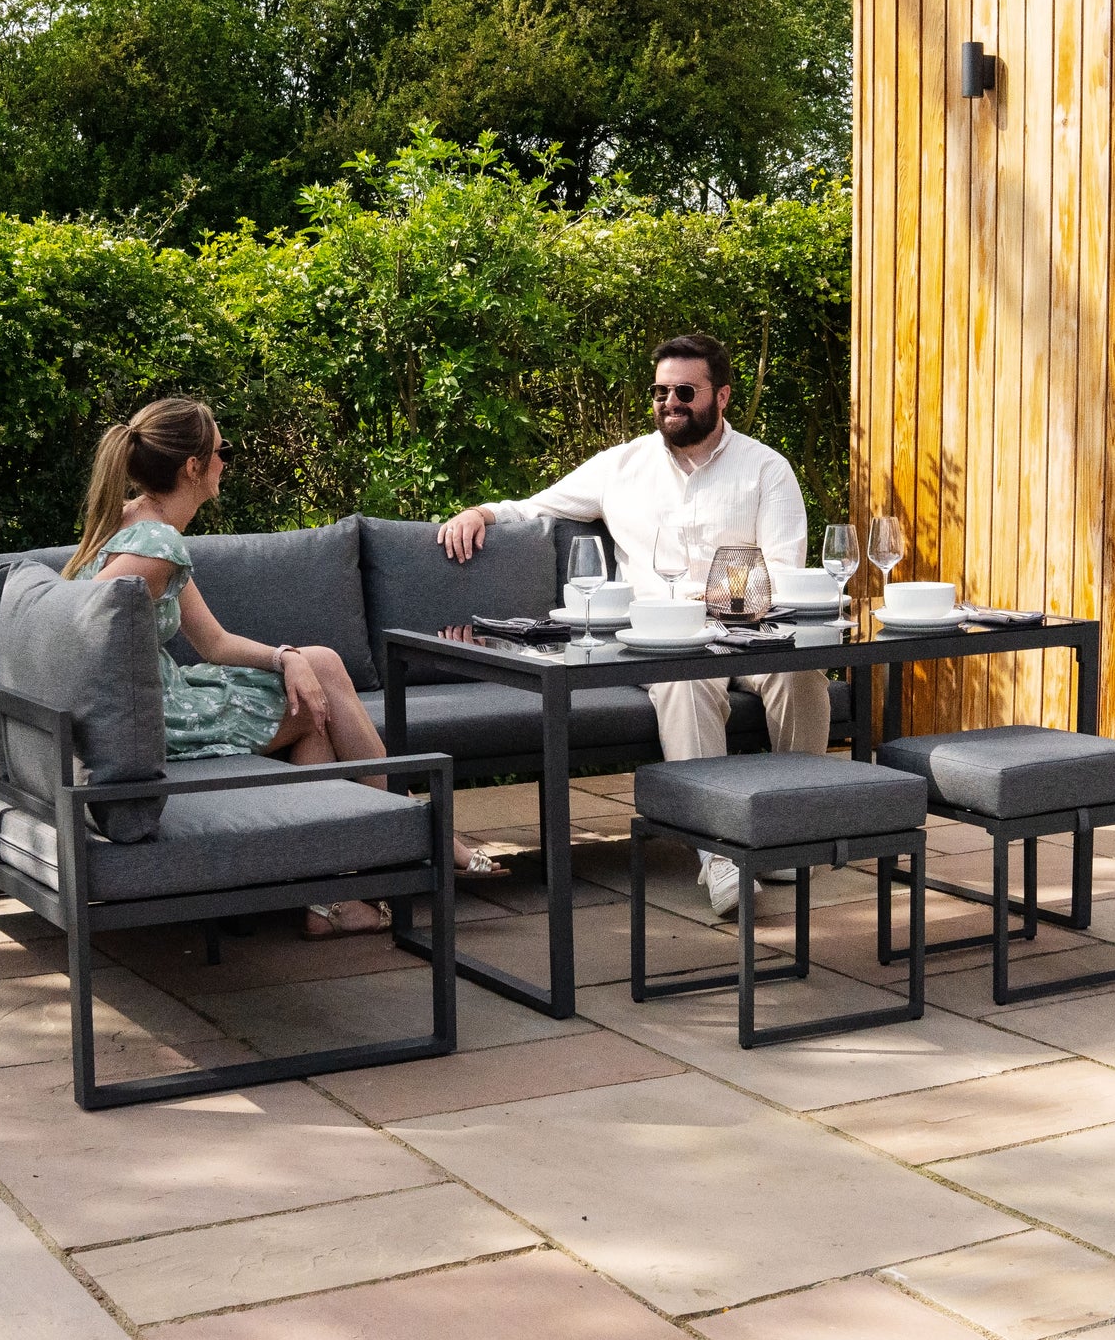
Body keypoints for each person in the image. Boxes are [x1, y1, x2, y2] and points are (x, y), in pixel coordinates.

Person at [64, 397, 504, 938]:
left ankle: (331, 903)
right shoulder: (156, 545)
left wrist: (285, 657)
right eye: (223, 451)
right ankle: (427, 833)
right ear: (193, 467)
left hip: (155, 699)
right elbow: (81, 625)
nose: (227, 461)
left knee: (314, 684)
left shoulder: (136, 520)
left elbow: (214, 643)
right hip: (153, 719)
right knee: (322, 688)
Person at [436, 334, 831, 918]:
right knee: (683, 685)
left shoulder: (766, 469)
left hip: (748, 629)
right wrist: (480, 513)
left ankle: (790, 836)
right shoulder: (620, 467)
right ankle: (719, 856)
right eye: (660, 392)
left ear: (721, 396)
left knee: (803, 675)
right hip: (662, 641)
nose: (670, 402)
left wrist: (712, 602)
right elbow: (536, 506)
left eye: (684, 391)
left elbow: (780, 571)